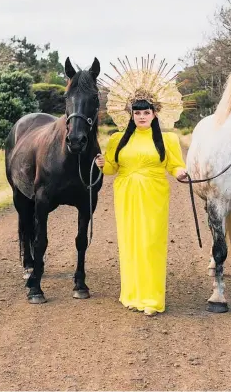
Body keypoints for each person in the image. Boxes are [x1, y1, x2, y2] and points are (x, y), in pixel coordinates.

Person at [96, 84, 187, 316]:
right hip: (125, 194)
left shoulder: (168, 139)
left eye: (146, 112)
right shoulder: (118, 139)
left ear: (155, 113)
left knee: (151, 244)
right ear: (131, 115)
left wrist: (180, 174)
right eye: (137, 113)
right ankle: (132, 295)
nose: (142, 116)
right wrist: (102, 164)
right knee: (130, 244)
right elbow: (111, 169)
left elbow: (174, 165)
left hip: (154, 194)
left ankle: (152, 299)